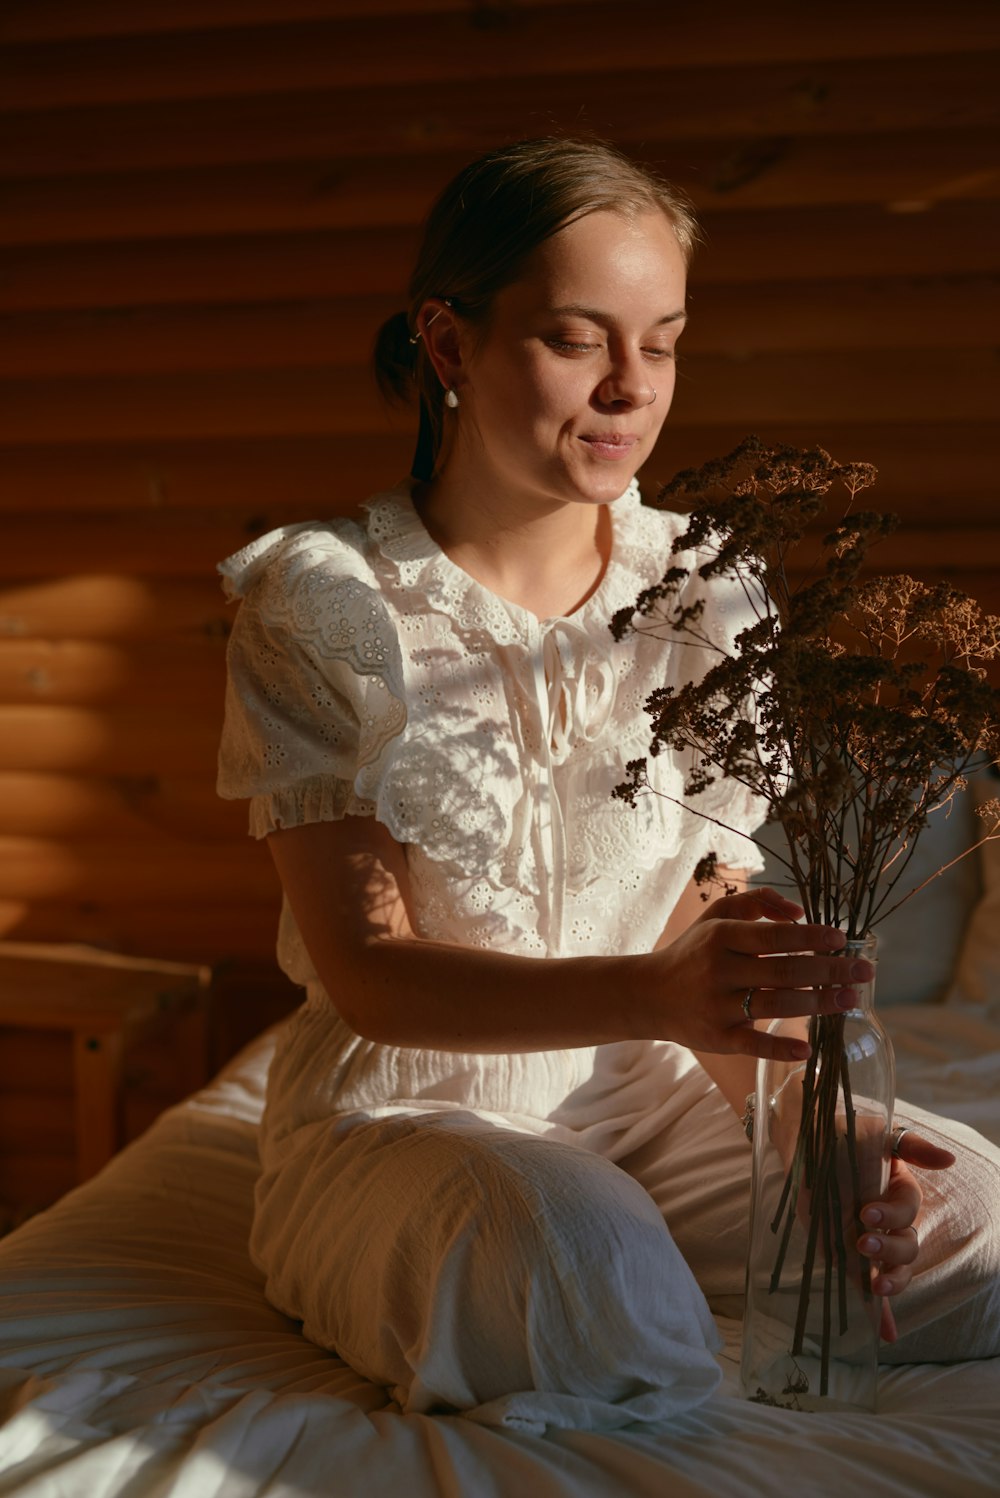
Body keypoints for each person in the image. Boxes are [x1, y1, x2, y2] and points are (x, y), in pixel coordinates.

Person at [217, 137, 999, 1431]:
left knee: (958, 1221)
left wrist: (810, 1115)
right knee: (577, 1270)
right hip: (410, 1120)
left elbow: (707, 916)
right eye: (581, 339)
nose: (632, 387)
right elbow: (369, 970)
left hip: (653, 1107)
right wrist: (650, 992)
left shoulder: (702, 584)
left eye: (665, 341)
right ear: (451, 346)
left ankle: (654, 1255)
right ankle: (618, 1268)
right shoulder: (326, 602)